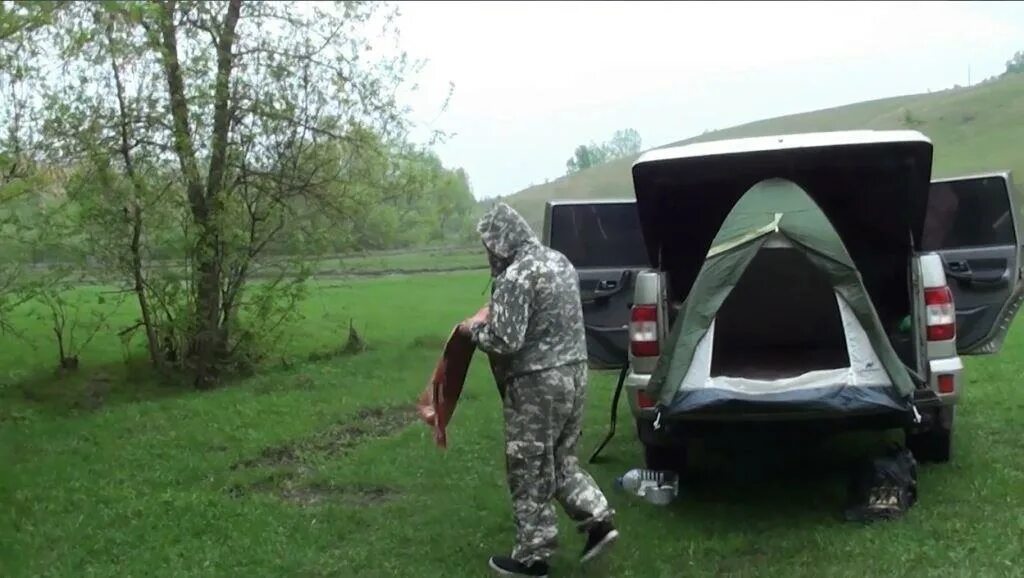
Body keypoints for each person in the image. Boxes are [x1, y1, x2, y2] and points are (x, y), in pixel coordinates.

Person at [460, 202, 618, 577]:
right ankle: (599, 521)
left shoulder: (516, 275)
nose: (488, 252)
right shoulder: (559, 262)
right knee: (562, 460)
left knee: (529, 465)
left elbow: (506, 339)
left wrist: (472, 330)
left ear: (500, 242)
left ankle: (532, 559)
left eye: (489, 245)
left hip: (537, 383)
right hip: (576, 374)